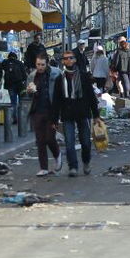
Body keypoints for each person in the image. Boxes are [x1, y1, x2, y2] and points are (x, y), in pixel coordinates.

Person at [52, 47, 98, 177]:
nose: (68, 60)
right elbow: (56, 100)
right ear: (63, 62)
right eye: (65, 58)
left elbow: (91, 96)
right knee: (69, 143)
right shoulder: (59, 79)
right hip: (67, 114)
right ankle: (73, 167)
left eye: (71, 57)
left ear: (75, 60)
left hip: (83, 113)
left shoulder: (83, 76)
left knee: (86, 142)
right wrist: (54, 119)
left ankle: (86, 161)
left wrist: (96, 116)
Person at [27, 53, 62, 177]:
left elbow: (59, 93)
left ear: (47, 63)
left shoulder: (55, 73)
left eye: (42, 64)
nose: (40, 67)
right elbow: (28, 94)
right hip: (37, 111)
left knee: (49, 138)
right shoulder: (32, 76)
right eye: (38, 64)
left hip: (51, 111)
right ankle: (43, 167)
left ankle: (57, 154)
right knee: (40, 140)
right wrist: (30, 91)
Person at [2, 50, 28, 121]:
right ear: (16, 57)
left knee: (13, 102)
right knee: (20, 102)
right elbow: (24, 75)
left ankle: (14, 118)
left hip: (10, 85)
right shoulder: (19, 63)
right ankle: (21, 118)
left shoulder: (6, 63)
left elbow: (2, 68)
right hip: (20, 85)